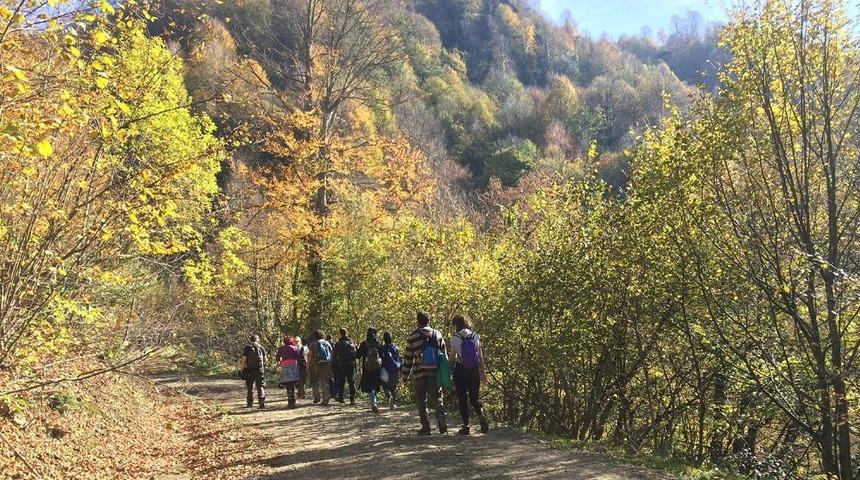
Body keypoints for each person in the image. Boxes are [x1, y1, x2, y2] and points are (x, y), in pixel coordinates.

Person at [401, 311, 448, 435]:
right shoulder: (438, 334)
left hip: (419, 373)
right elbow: (444, 356)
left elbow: (408, 358)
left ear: (417, 321)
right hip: (435, 372)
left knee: (421, 400)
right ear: (429, 320)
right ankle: (441, 418)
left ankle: (426, 427)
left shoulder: (413, 336)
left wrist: (404, 376)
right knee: (437, 397)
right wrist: (446, 374)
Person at [450, 314, 489, 435]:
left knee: (462, 397)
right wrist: (483, 373)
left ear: (456, 325)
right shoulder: (475, 335)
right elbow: (480, 357)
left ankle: (466, 426)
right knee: (474, 396)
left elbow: (452, 358)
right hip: (474, 370)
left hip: (460, 369)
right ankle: (481, 413)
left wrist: (450, 372)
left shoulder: (455, 338)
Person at [356, 328, 384, 413]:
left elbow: (358, 356)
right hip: (377, 368)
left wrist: (357, 348)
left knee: (370, 386)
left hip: (367, 368)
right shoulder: (378, 343)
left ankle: (373, 403)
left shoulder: (364, 344)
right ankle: (375, 402)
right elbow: (382, 355)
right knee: (375, 385)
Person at [275, 336, 304, 409]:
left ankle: (290, 401)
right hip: (294, 366)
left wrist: (280, 361)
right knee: (292, 383)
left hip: (285, 366)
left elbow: (277, 357)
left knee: (288, 384)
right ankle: (292, 400)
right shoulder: (295, 348)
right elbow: (298, 357)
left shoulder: (281, 348)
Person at [239, 335, 267, 409]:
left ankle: (250, 403)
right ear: (258, 340)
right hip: (260, 369)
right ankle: (261, 402)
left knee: (250, 386)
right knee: (260, 385)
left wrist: (241, 369)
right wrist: (262, 366)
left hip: (250, 370)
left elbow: (244, 359)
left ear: (250, 340)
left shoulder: (248, 348)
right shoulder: (261, 347)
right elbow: (265, 359)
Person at [332, 327, 357, 405]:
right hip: (351, 364)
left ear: (340, 333)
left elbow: (334, 355)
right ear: (347, 333)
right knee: (351, 382)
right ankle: (352, 399)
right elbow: (356, 352)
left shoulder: (338, 344)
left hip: (341, 365)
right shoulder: (352, 342)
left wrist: (334, 365)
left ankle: (341, 398)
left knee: (341, 382)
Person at [307, 330, 333, 406]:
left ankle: (317, 396)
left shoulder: (313, 344)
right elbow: (331, 353)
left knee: (314, 380)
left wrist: (308, 365)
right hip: (326, 364)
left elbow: (310, 355)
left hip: (315, 364)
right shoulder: (327, 343)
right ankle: (326, 398)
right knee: (324, 381)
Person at [380, 331, 402, 410]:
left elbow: (381, 359)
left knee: (385, 385)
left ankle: (389, 396)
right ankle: (393, 402)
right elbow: (399, 358)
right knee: (393, 387)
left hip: (385, 369)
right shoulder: (395, 347)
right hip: (395, 369)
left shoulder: (382, 348)